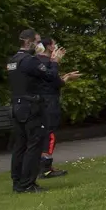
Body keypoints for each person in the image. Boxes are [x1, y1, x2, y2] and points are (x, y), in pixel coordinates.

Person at [8, 29, 74, 193]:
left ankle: (18, 181)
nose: (40, 46)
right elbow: (50, 76)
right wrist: (55, 61)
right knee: (34, 144)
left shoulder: (12, 60)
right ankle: (28, 183)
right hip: (31, 106)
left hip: (16, 105)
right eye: (37, 42)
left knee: (20, 146)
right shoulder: (29, 61)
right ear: (28, 42)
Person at [35, 37, 69, 179]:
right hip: (49, 101)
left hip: (41, 100)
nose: (55, 47)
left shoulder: (36, 62)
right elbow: (54, 80)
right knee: (49, 133)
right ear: (49, 47)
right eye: (54, 44)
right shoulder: (48, 63)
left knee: (43, 132)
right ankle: (46, 167)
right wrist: (56, 63)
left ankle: (41, 165)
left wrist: (65, 77)